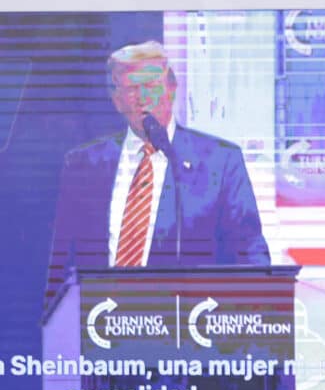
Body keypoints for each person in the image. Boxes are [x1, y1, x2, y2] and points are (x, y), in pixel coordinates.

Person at [46, 41, 269, 308]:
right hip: (99, 326)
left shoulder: (220, 162)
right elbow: (60, 267)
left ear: (172, 89)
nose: (142, 98)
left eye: (151, 86)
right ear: (117, 100)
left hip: (188, 332)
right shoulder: (84, 165)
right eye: (131, 89)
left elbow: (250, 256)